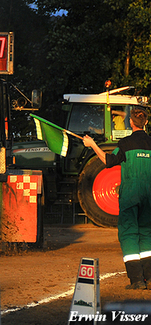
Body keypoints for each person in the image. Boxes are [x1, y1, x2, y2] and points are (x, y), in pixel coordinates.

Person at [83, 107, 151, 289]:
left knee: (129, 234)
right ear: (145, 122)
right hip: (149, 198)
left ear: (130, 122)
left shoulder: (125, 144)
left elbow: (108, 161)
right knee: (146, 234)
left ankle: (137, 280)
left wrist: (92, 145)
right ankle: (150, 279)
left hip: (130, 196)